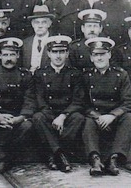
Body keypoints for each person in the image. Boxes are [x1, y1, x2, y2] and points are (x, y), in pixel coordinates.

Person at [82, 37, 131, 176]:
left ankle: (114, 159)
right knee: (87, 122)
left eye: (103, 54)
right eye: (96, 55)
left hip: (115, 117)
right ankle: (95, 160)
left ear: (109, 55)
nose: (99, 58)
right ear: (91, 57)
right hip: (95, 117)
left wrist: (112, 115)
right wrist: (98, 117)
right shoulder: (86, 76)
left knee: (130, 118)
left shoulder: (121, 75)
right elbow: (82, 103)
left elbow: (130, 102)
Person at [0, 37, 35, 173]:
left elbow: (30, 100)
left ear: (17, 55)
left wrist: (19, 118)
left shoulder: (25, 75)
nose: (8, 58)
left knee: (27, 126)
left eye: (12, 54)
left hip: (17, 116)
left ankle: (4, 158)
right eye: (5, 54)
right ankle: (4, 156)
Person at [32, 36, 85, 173]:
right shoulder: (40, 74)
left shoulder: (75, 74)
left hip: (67, 113)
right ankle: (61, 155)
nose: (58, 56)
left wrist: (63, 116)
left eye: (62, 52)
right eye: (54, 52)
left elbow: (78, 100)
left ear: (67, 54)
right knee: (38, 117)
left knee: (79, 117)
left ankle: (52, 154)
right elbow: (40, 100)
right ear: (48, 53)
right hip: (48, 113)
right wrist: (52, 117)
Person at [22, 5, 55, 73]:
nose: (40, 26)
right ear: (32, 24)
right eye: (37, 22)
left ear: (49, 24)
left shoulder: (54, 42)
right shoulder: (25, 43)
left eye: (44, 22)